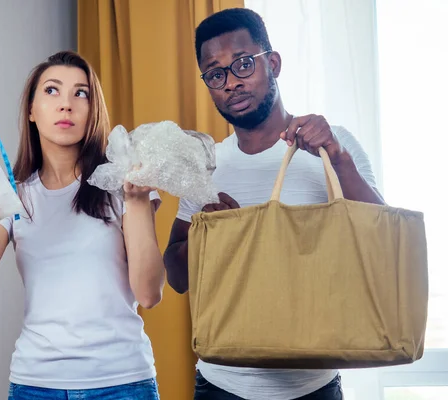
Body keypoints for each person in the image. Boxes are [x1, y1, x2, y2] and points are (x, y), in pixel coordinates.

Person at [163, 8, 385, 400]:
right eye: (216, 74)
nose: (232, 83)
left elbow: (380, 242)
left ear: (274, 64)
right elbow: (177, 278)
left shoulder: (335, 145)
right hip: (221, 385)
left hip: (313, 386)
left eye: (243, 64)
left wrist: (338, 159)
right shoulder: (206, 166)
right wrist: (210, 235)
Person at [0, 51, 163, 400]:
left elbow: (149, 293)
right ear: (31, 110)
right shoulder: (17, 199)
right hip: (35, 385)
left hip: (123, 383)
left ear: (93, 110)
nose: (66, 105)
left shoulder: (124, 186)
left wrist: (136, 202)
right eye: (52, 91)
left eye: (81, 93)